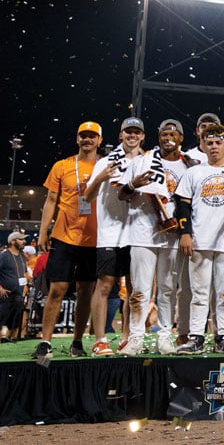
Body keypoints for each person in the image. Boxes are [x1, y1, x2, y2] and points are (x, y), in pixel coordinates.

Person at [173, 124, 224, 354]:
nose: (214, 147)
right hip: (199, 240)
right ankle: (196, 336)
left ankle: (223, 336)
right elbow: (182, 205)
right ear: (203, 146)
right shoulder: (193, 172)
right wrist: (185, 233)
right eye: (209, 143)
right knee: (199, 292)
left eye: (218, 142)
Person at [120, 118, 192, 354]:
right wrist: (132, 184)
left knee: (168, 288)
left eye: (173, 133)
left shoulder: (189, 165)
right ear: (158, 136)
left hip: (172, 235)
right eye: (164, 133)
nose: (168, 137)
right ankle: (136, 337)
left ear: (181, 138)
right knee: (140, 289)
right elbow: (122, 195)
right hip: (142, 233)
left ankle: (164, 337)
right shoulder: (142, 161)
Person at [33, 121, 103, 362]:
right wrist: (43, 232)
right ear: (77, 139)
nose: (87, 140)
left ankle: (77, 341)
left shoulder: (105, 165)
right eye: (83, 136)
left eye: (92, 136)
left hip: (93, 239)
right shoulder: (62, 166)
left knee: (86, 291)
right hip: (63, 236)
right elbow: (51, 200)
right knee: (57, 289)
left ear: (99, 141)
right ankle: (45, 342)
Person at [82, 116, 145, 355]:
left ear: (142, 136)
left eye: (136, 132)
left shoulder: (148, 162)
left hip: (138, 233)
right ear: (120, 135)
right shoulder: (106, 162)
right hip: (109, 234)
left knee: (133, 288)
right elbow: (86, 197)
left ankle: (128, 338)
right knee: (105, 285)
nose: (132, 135)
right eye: (127, 132)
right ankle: (100, 339)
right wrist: (100, 177)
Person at [0, 231, 29, 342]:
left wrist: (26, 285)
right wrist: (0, 288)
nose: (24, 242)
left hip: (19, 296)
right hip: (6, 296)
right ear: (12, 241)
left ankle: (11, 345)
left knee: (15, 324)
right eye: (20, 239)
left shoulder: (22, 256)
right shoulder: (4, 256)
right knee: (3, 323)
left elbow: (24, 272)